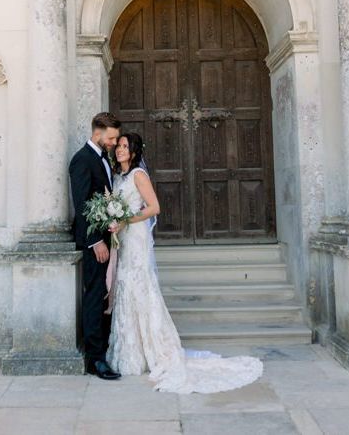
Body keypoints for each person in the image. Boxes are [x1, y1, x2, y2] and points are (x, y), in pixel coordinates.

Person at [108, 132, 263, 393]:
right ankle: (132, 352)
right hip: (125, 241)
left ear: (133, 152)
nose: (120, 150)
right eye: (119, 146)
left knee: (140, 287)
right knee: (126, 289)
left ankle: (155, 350)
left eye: (125, 146)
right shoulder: (118, 177)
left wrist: (125, 220)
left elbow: (154, 207)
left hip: (136, 239)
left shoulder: (138, 175)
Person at [69, 112, 122, 380]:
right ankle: (95, 360)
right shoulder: (82, 160)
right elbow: (81, 205)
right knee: (94, 296)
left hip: (107, 239)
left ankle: (104, 350)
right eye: (111, 137)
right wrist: (94, 241)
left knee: (104, 295)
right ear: (98, 132)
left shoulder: (104, 159)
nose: (113, 142)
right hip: (95, 243)